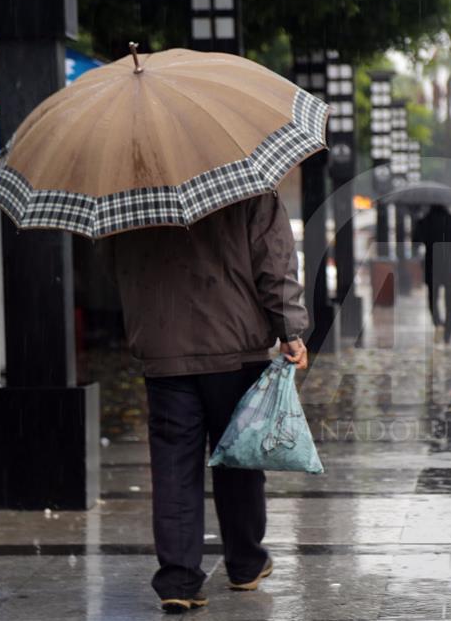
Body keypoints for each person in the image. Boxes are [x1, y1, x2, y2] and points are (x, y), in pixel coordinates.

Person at [111, 190, 309, 613]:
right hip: (235, 347)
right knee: (238, 457)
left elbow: (120, 266)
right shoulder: (248, 184)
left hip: (164, 348)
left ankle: (178, 580)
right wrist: (290, 329)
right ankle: (245, 563)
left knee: (173, 465)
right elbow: (273, 262)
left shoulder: (128, 192)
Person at [412, 204, 451, 344]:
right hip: (450, 265)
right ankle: (448, 334)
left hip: (432, 264)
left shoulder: (425, 221)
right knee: (449, 302)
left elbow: (415, 242)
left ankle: (438, 323)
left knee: (433, 299)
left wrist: (418, 222)